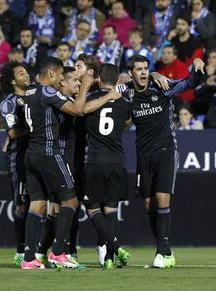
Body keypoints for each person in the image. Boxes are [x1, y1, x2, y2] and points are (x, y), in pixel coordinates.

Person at [121, 55, 204, 268]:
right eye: (138, 69)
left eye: (146, 68)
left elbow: (190, 83)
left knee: (162, 198)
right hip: (143, 155)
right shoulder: (127, 92)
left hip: (166, 150)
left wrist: (195, 64)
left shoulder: (162, 86)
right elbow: (107, 89)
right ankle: (165, 249)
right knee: (149, 205)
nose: (142, 72)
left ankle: (162, 251)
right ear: (131, 72)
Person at [20, 57, 90, 269]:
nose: (61, 80)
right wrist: (85, 84)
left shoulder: (29, 92)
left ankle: (29, 258)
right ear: (51, 74)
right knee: (71, 202)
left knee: (37, 204)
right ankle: (58, 253)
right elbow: (77, 110)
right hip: (49, 153)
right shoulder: (47, 91)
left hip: (31, 155)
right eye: (60, 75)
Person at [82, 63, 131, 269]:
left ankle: (115, 246)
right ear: (116, 81)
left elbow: (81, 110)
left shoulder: (92, 99)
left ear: (99, 79)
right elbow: (127, 122)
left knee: (92, 207)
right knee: (111, 209)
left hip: (95, 161)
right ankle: (109, 258)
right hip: (117, 161)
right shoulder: (124, 103)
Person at [0, 62, 31, 267]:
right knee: (22, 206)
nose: (26, 75)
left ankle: (36, 250)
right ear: (13, 80)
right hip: (19, 159)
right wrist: (37, 128)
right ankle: (21, 250)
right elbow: (12, 133)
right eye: (21, 73)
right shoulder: (8, 103)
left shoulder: (36, 95)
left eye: (27, 72)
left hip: (38, 157)